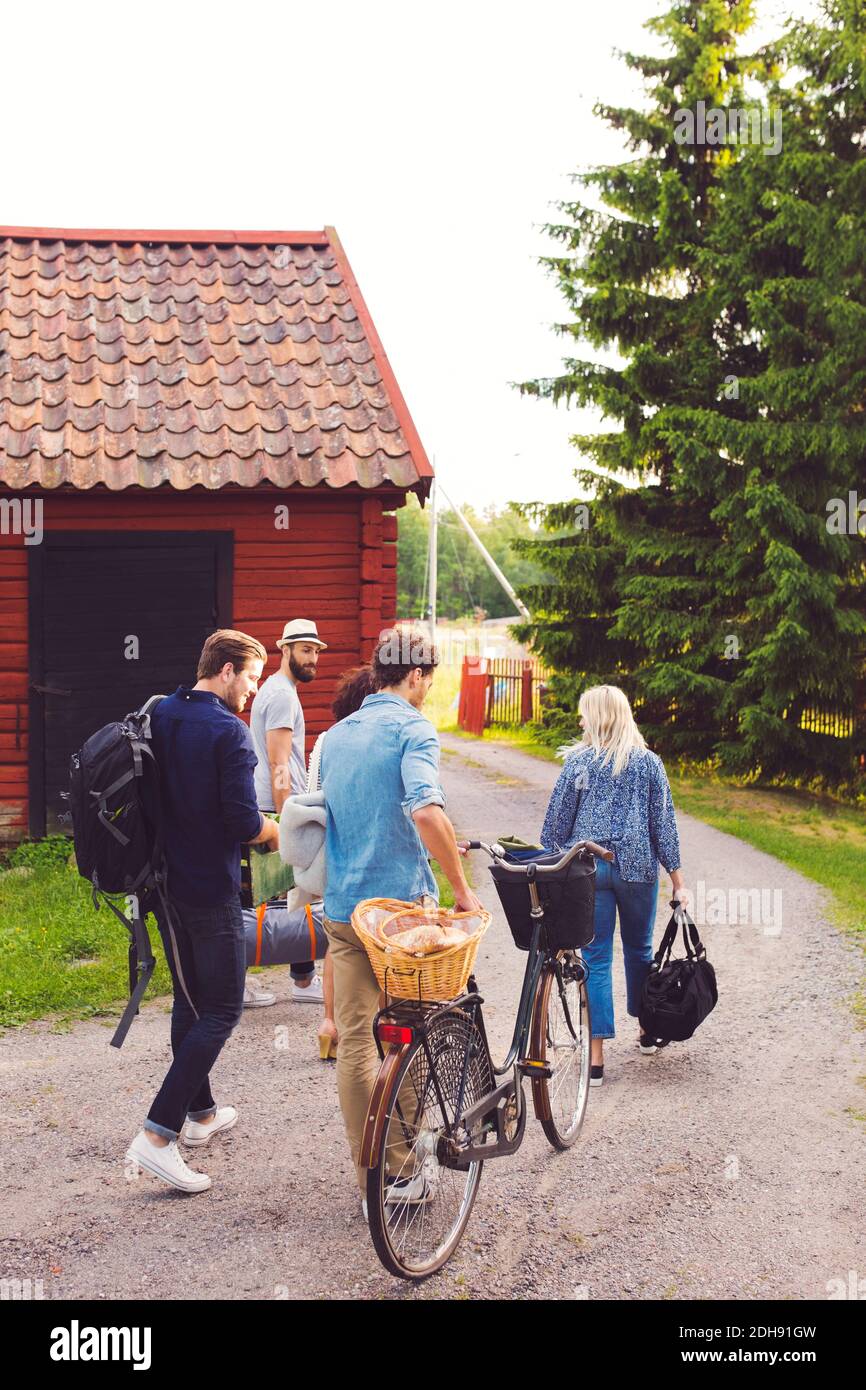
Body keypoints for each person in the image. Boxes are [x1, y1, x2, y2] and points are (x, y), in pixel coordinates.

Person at [320, 627, 481, 1212]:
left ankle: (374, 1173)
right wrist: (461, 891)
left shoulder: (335, 736)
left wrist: (440, 842)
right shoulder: (413, 729)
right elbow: (423, 808)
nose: (428, 691)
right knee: (409, 1031)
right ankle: (406, 1168)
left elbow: (334, 815)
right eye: (429, 680)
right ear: (415, 676)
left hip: (344, 911)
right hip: (401, 923)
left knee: (357, 1040)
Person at [125, 629, 279, 1194]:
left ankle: (201, 1114)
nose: (253, 693)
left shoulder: (160, 713)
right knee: (221, 1009)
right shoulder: (228, 734)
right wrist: (278, 832)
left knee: (190, 1000)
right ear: (229, 670)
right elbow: (242, 822)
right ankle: (157, 1136)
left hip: (163, 889)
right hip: (209, 891)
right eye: (253, 679)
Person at [540, 684, 688, 1087]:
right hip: (638, 869)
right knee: (639, 950)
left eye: (584, 713)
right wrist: (678, 881)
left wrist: (554, 872)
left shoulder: (577, 764)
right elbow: (664, 826)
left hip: (588, 868)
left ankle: (597, 1058)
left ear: (600, 716)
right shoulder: (648, 764)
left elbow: (555, 827)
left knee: (596, 956)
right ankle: (646, 1032)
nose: (580, 720)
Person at [245, 618, 327, 1008]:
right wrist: (285, 819)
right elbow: (279, 763)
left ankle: (303, 978)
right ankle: (237, 982)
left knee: (297, 895)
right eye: (305, 650)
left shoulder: (282, 691)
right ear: (285, 650)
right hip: (272, 808)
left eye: (315, 651)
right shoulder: (280, 695)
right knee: (259, 897)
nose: (312, 658)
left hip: (276, 806)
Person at [305, 664, 379, 1059]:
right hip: (363, 850)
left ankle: (330, 1025)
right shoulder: (369, 743)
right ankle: (377, 1027)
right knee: (376, 939)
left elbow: (312, 793)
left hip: (328, 851)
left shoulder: (326, 741)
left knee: (337, 942)